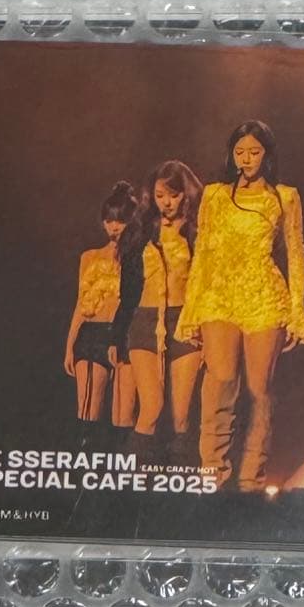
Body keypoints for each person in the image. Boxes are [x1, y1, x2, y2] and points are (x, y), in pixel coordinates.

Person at [174, 120, 304, 491]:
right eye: (239, 152)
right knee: (219, 380)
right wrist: (191, 309)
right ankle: (212, 477)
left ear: (267, 155)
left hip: (264, 294)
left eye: (254, 152)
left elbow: (296, 255)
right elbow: (202, 253)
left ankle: (251, 482)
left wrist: (297, 311)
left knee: (259, 389)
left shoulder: (284, 197)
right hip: (219, 294)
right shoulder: (215, 195)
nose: (246, 159)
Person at [110, 163, 204, 462]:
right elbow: (127, 292)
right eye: (160, 195)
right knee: (151, 406)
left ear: (186, 194)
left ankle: (176, 481)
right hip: (144, 320)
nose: (167, 202)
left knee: (181, 415)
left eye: (174, 195)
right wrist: (116, 337)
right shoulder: (140, 231)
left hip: (185, 321)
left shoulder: (197, 230)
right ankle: (132, 478)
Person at [63, 181, 138, 450]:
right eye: (109, 221)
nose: (114, 227)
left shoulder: (137, 258)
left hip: (124, 335)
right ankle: (83, 468)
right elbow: (81, 303)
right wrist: (69, 346)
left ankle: (119, 471)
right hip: (91, 335)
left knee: (123, 418)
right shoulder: (89, 257)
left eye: (120, 220)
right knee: (87, 414)